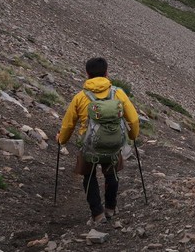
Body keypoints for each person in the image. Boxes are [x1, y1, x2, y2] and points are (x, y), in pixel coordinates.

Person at [56, 57, 139, 224]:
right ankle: (110, 208)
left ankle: (97, 213)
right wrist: (132, 137)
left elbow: (68, 124)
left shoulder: (80, 97)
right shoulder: (118, 93)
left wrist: (62, 140)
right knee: (111, 175)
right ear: (107, 73)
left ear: (87, 74)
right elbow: (134, 120)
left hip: (89, 146)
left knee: (89, 176)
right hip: (113, 144)